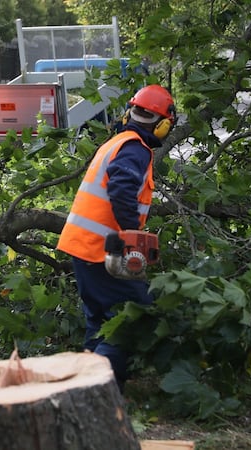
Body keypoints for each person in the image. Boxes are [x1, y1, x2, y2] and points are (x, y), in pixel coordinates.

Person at [56, 84, 177, 388]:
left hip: (85, 246)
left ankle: (86, 388)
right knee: (131, 317)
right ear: (163, 125)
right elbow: (121, 190)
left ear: (129, 113)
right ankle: (100, 389)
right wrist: (133, 235)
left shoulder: (119, 141)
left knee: (100, 320)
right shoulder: (135, 148)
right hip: (102, 249)